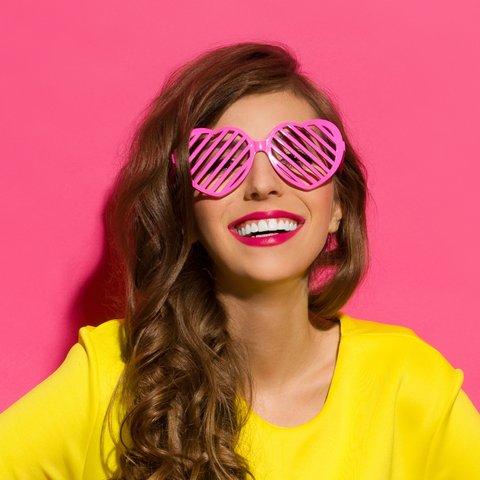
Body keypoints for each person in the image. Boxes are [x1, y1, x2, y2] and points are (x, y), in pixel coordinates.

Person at [0, 42, 479, 480]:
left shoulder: (408, 385)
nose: (263, 185)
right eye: (221, 161)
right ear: (184, 214)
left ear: (337, 207)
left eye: (300, 154)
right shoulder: (110, 376)